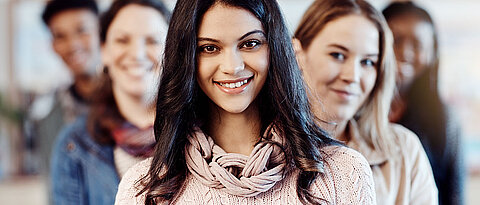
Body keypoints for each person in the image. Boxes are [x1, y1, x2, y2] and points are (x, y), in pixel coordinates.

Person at [115, 0, 376, 204]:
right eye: (209, 48)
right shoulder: (144, 189)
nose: (233, 66)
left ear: (275, 49)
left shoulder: (342, 172)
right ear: (186, 58)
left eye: (250, 43)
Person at [293, 0, 438, 204]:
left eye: (368, 62)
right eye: (337, 55)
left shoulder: (404, 152)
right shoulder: (261, 154)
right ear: (297, 53)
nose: (353, 76)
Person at [50, 0, 170, 204]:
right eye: (123, 40)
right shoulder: (73, 145)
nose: (137, 54)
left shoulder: (202, 134)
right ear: (104, 50)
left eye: (152, 40)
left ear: (173, 51)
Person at [383, 1, 464, 204]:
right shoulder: (351, 109)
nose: (406, 52)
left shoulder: (444, 118)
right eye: (396, 40)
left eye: (418, 45)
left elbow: (454, 193)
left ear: (431, 54)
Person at [35, 0, 100, 174]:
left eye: (82, 30)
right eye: (60, 36)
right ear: (53, 46)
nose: (73, 44)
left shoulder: (135, 101)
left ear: (101, 31)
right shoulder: (51, 119)